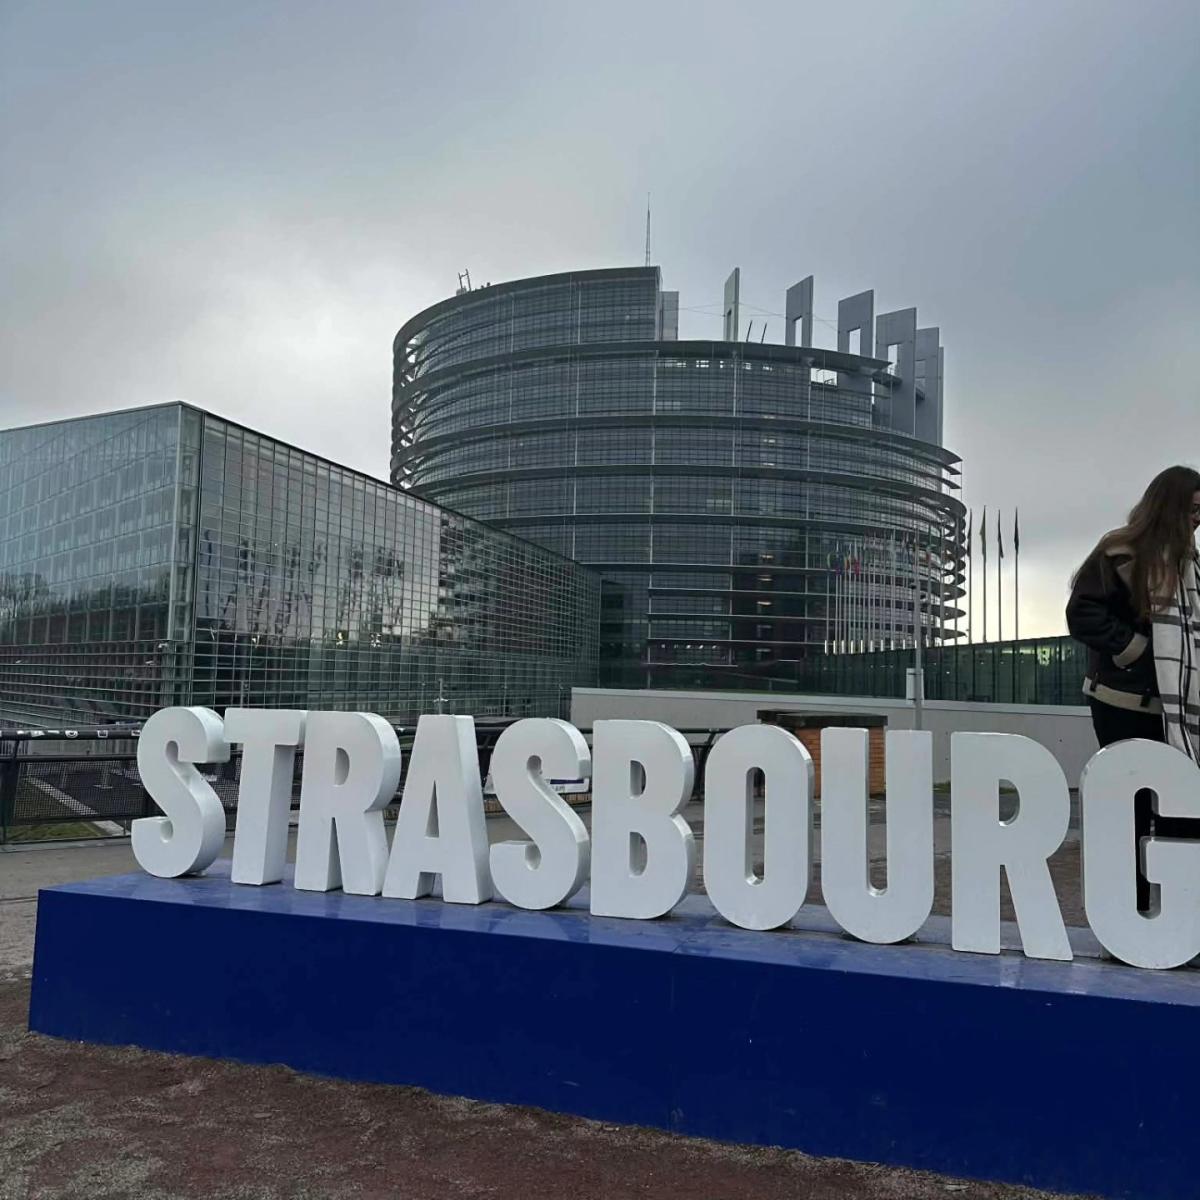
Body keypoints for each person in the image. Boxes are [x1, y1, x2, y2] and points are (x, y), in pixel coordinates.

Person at [1066, 465, 1200, 911]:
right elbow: (1083, 614)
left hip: (1175, 710)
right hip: (1122, 704)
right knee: (1133, 809)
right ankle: (1133, 911)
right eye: (1192, 509)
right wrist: (1137, 651)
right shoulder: (1119, 552)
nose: (1197, 520)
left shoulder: (1191, 564)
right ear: (1169, 506)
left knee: (1180, 806)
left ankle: (1177, 910)